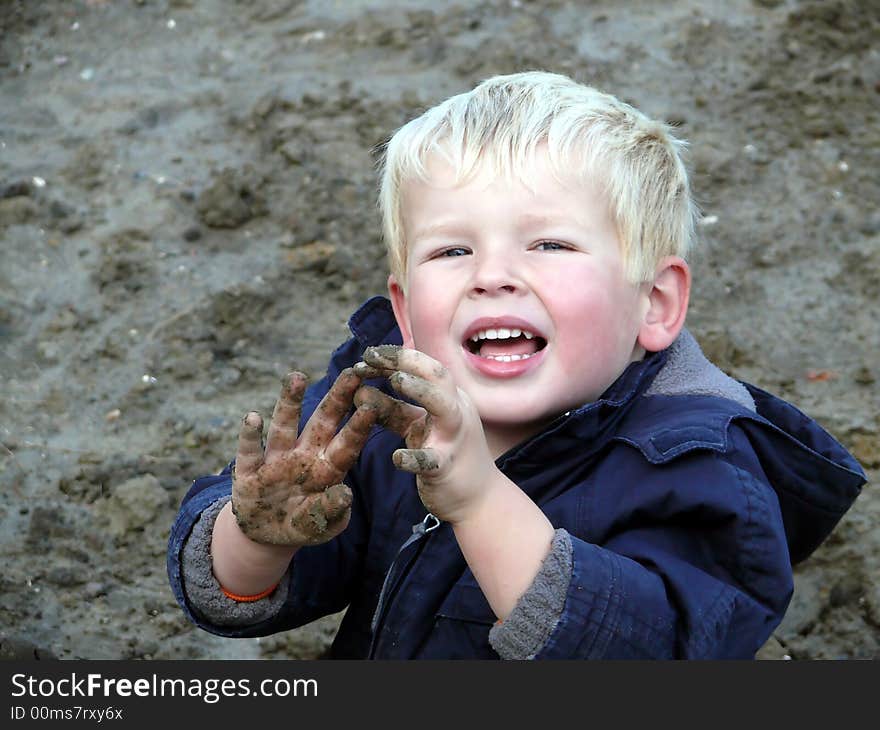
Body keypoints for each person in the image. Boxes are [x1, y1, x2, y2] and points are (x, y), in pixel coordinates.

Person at [167, 71, 866, 659]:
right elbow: (267, 584)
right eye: (452, 251)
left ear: (654, 303)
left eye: (551, 245)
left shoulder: (700, 469)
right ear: (407, 310)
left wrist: (479, 500)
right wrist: (256, 536)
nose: (493, 275)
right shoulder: (378, 407)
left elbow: (655, 650)